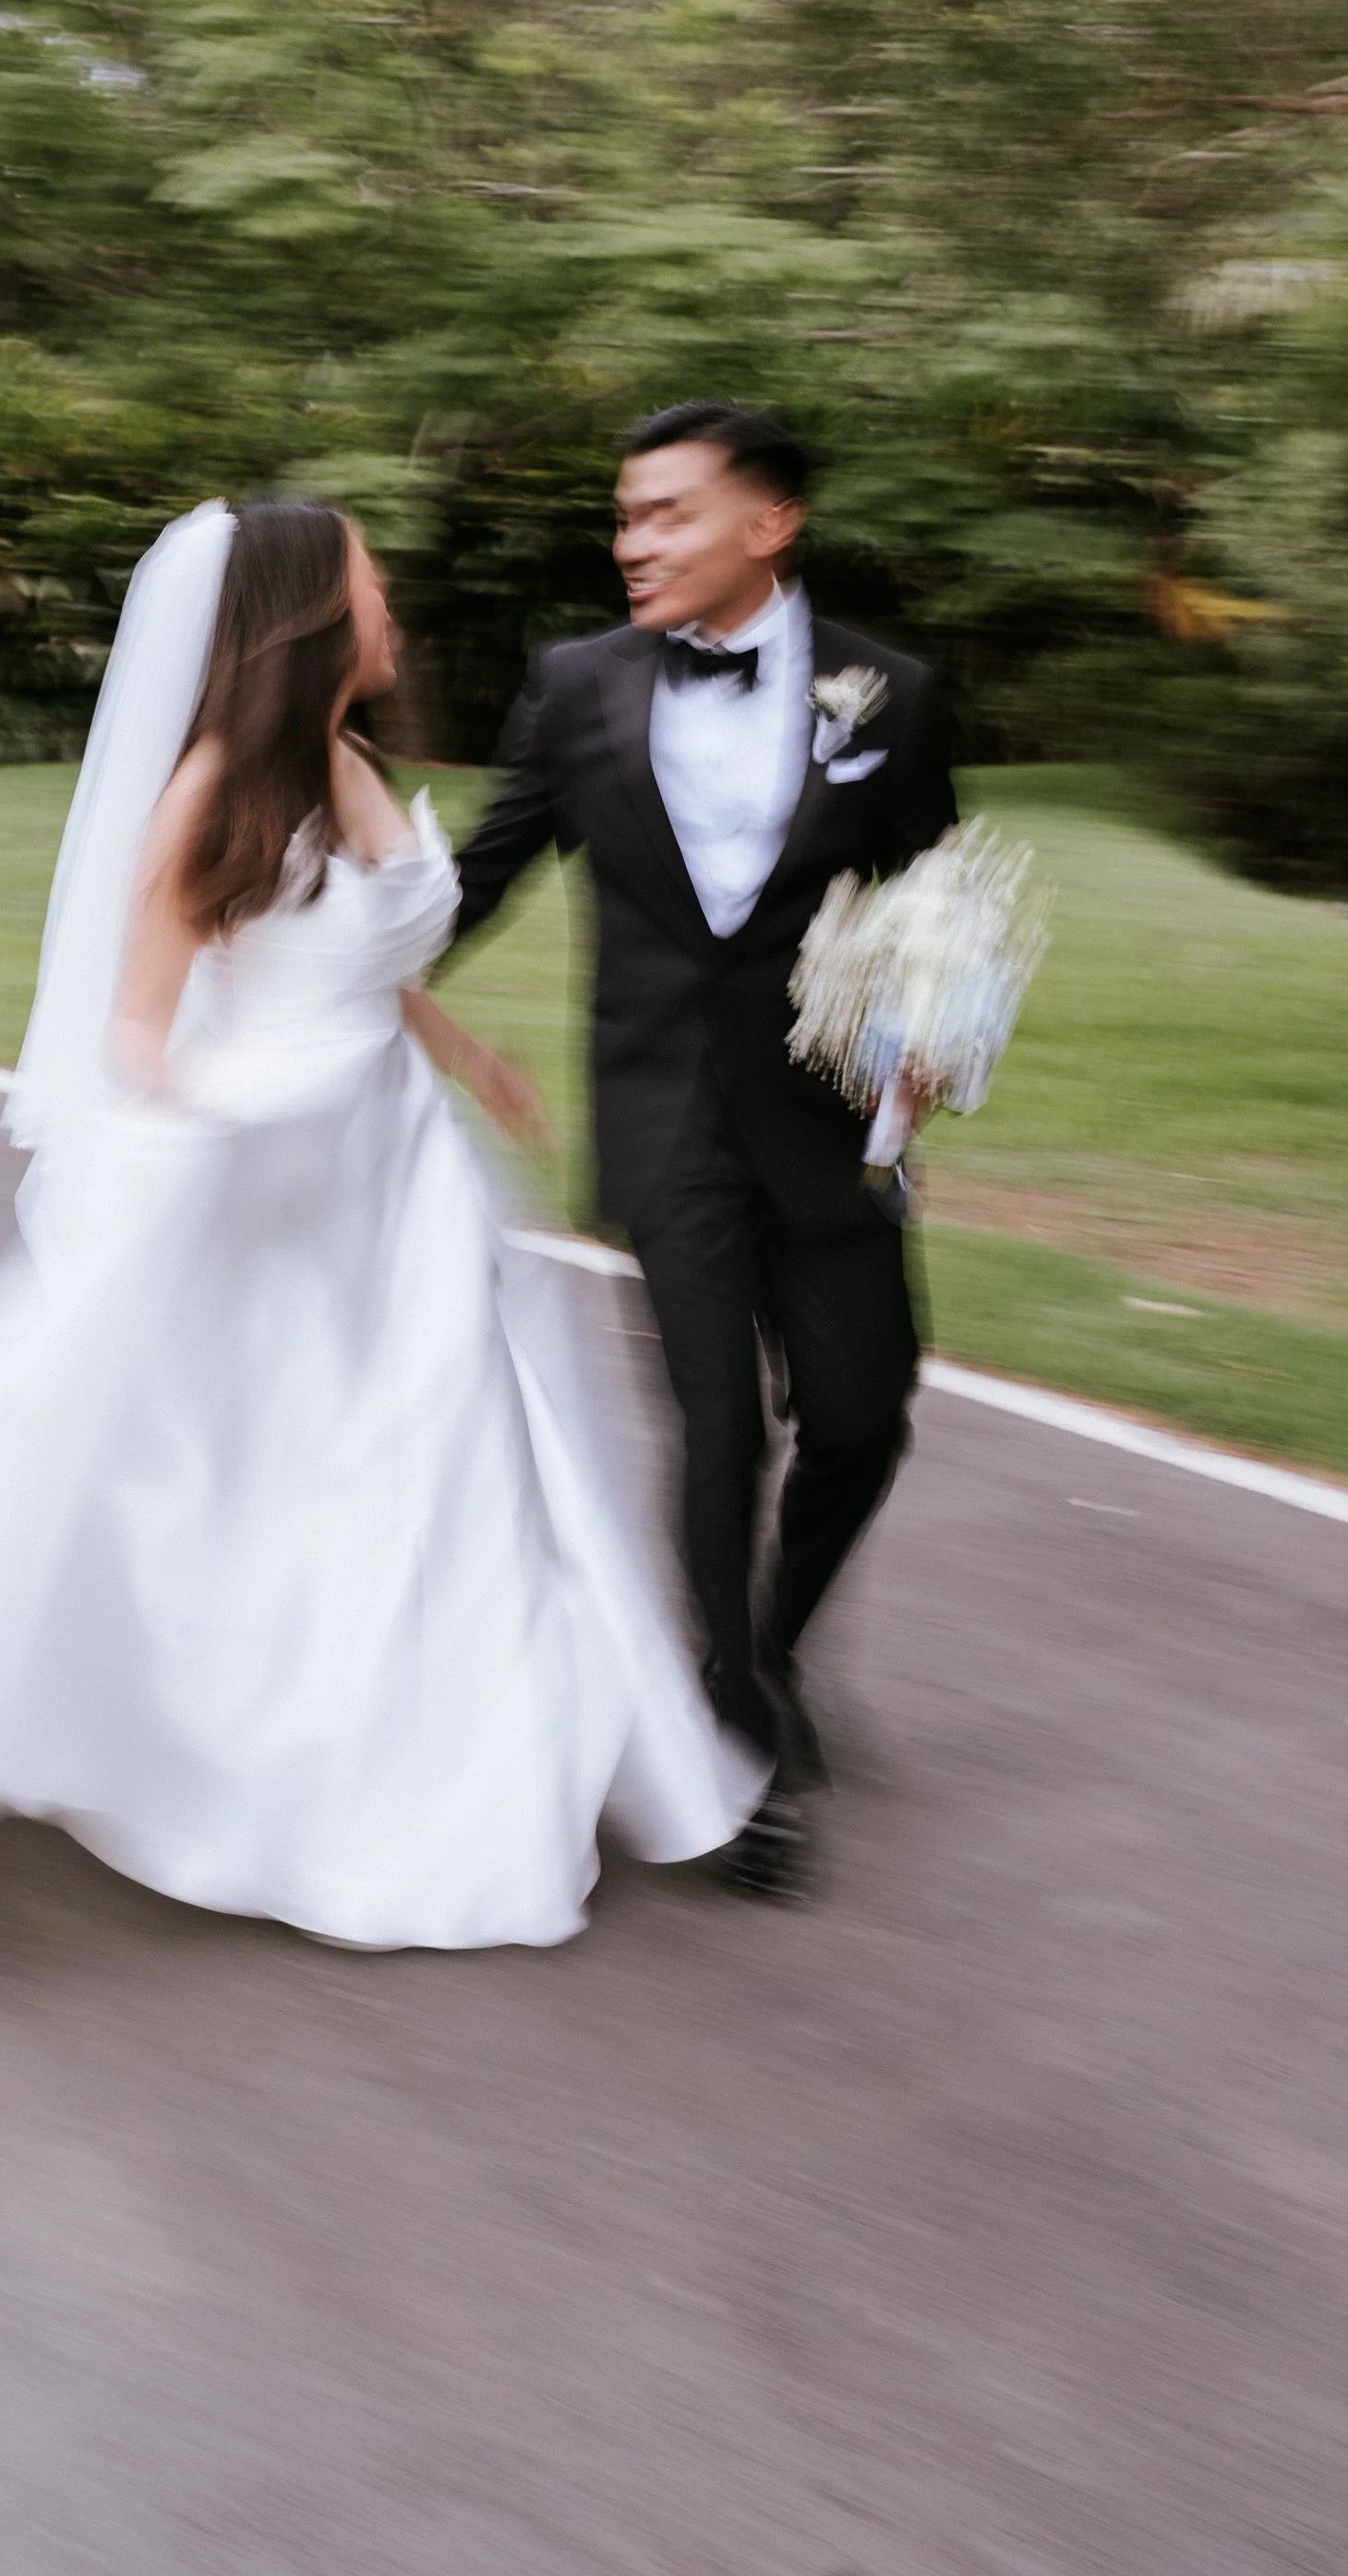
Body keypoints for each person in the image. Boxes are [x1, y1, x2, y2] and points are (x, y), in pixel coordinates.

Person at [0, 500, 760, 1950]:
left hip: (399, 1181)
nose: (393, 603)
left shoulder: (351, 762)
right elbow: (138, 1022)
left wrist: (464, 1053)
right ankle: (230, 1759)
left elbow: (362, 951)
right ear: (308, 616)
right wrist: (198, 1135)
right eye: (371, 583)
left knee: (446, 1457)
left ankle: (436, 1762)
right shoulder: (212, 789)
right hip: (271, 1173)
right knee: (224, 1468)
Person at [451, 404, 957, 1898]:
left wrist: (926, 1061)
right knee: (714, 1424)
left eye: (666, 514)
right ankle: (730, 1740)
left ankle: (773, 1649)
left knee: (864, 1416)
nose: (632, 545)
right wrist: (323, 953)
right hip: (664, 1121)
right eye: (625, 518)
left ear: (768, 523)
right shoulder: (577, 685)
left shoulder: (894, 693)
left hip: (831, 1123)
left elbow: (931, 902)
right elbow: (477, 877)